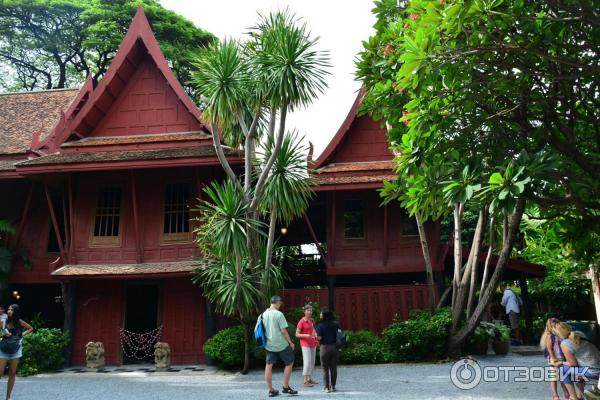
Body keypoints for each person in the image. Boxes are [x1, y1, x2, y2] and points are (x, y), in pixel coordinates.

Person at [261, 295, 298, 397]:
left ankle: (271, 390)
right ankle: (285, 386)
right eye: (280, 303)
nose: (280, 304)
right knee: (289, 362)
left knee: (269, 365)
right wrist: (291, 343)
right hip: (281, 344)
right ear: (277, 302)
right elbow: (284, 331)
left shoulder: (263, 314)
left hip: (269, 344)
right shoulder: (279, 314)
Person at [554, 322, 600, 400]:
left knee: (562, 370)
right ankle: (580, 396)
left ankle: (573, 397)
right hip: (596, 366)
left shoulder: (565, 344)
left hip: (594, 371)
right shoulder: (579, 333)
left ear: (558, 334)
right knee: (576, 371)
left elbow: (573, 363)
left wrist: (560, 362)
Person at [0, 304, 33, 400]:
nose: (9, 311)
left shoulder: (19, 322)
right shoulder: (3, 321)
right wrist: (4, 334)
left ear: (15, 312)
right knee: (0, 372)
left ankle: (8, 397)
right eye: (9, 309)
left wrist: (21, 335)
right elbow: (2, 331)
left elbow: (30, 328)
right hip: (4, 349)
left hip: (16, 350)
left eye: (12, 310)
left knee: (12, 373)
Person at [540, 318, 567, 400]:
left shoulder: (560, 335)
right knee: (553, 377)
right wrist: (554, 360)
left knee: (564, 377)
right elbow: (549, 349)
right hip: (554, 359)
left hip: (562, 358)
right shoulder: (549, 336)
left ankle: (566, 394)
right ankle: (555, 395)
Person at [315, 308, 340, 393]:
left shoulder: (320, 325)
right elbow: (339, 335)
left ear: (324, 315)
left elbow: (319, 338)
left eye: (321, 313)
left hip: (324, 348)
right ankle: (333, 386)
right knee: (333, 368)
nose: (320, 315)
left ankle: (326, 388)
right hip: (334, 347)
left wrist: (315, 337)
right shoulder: (336, 324)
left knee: (325, 368)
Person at [295, 304, 318, 387]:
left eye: (311, 311)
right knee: (307, 361)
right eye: (308, 310)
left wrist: (315, 333)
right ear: (304, 311)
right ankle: (305, 380)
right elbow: (297, 334)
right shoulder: (301, 321)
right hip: (305, 344)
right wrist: (306, 335)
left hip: (313, 343)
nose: (310, 312)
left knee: (312, 362)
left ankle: (309, 378)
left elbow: (313, 329)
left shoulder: (312, 320)